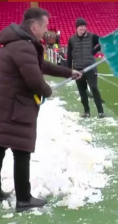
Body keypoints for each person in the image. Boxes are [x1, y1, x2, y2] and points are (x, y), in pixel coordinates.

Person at [0, 7, 82, 212]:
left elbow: (40, 65)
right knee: (22, 152)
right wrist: (47, 91)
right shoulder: (24, 46)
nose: (46, 31)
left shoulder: (18, 43)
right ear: (34, 25)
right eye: (45, 26)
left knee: (1, 149)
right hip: (15, 108)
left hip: (6, 105)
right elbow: (35, 79)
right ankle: (24, 199)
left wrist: (68, 72)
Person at [66, 18, 106, 118]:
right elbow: (69, 55)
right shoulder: (71, 39)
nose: (83, 28)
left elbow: (103, 42)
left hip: (90, 68)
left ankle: (100, 111)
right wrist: (68, 70)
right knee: (82, 91)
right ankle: (86, 111)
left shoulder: (92, 36)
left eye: (84, 26)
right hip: (77, 69)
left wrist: (95, 50)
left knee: (94, 88)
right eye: (81, 26)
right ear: (76, 28)